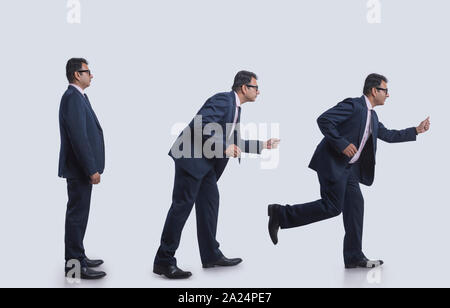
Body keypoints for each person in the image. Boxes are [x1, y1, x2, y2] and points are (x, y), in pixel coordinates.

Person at [268, 73, 430, 268]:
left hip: (349, 169)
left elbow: (387, 135)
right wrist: (342, 143)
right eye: (385, 90)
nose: (388, 95)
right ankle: (280, 213)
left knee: (355, 207)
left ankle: (354, 256)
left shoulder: (373, 115)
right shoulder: (354, 105)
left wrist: (416, 130)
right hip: (331, 163)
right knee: (332, 207)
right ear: (373, 90)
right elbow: (324, 120)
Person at [154, 71, 280, 279]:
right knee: (181, 208)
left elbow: (233, 142)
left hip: (205, 166)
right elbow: (200, 124)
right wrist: (222, 147)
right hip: (191, 160)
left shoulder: (236, 109)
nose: (259, 91)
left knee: (209, 205)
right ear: (243, 88)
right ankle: (163, 261)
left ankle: (211, 255)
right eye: (255, 87)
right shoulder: (223, 99)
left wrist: (262, 146)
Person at [58, 58, 106, 279]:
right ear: (77, 74)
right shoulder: (72, 98)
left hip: (81, 170)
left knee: (80, 215)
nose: (91, 75)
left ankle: (79, 256)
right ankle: (75, 266)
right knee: (77, 216)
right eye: (88, 71)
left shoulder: (78, 97)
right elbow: (79, 137)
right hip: (80, 170)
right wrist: (91, 168)